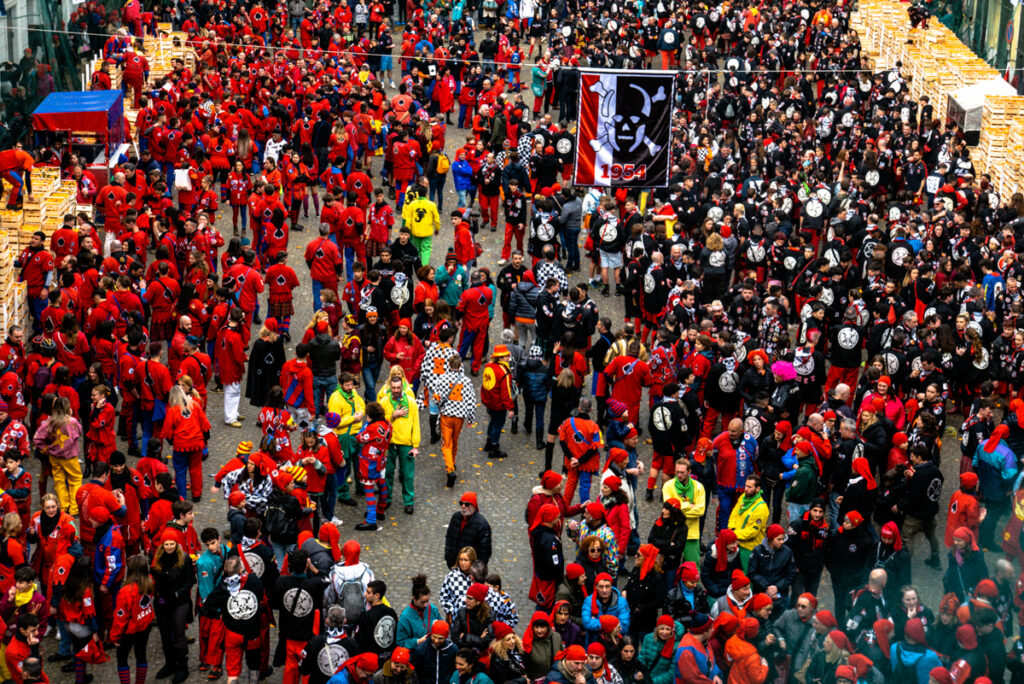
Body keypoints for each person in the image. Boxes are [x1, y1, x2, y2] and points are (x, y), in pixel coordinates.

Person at [444, 492, 492, 568]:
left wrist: (476, 570)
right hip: (453, 564)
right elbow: (449, 537)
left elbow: (484, 553)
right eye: (461, 503)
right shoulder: (456, 517)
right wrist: (448, 555)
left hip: (470, 569)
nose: (463, 506)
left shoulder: (482, 525)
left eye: (467, 504)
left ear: (473, 506)